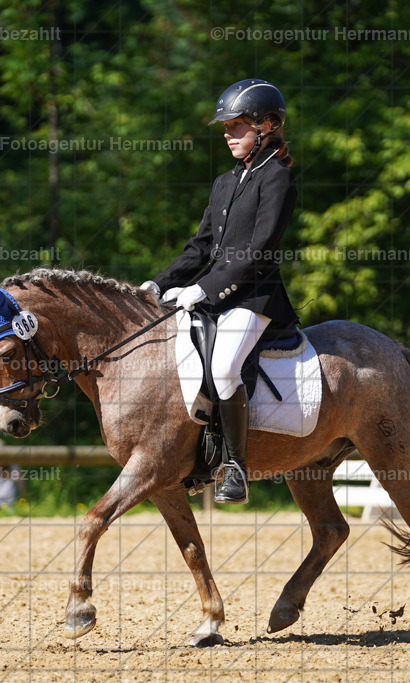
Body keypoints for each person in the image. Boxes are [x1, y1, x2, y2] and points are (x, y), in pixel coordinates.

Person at [140, 78, 299, 504]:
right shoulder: (225, 182)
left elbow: (259, 251)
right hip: (214, 294)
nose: (228, 134)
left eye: (236, 126)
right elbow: (200, 247)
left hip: (254, 297)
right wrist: (161, 282)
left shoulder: (278, 179)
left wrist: (204, 290)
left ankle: (235, 468)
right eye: (226, 127)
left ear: (267, 125)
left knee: (227, 366)